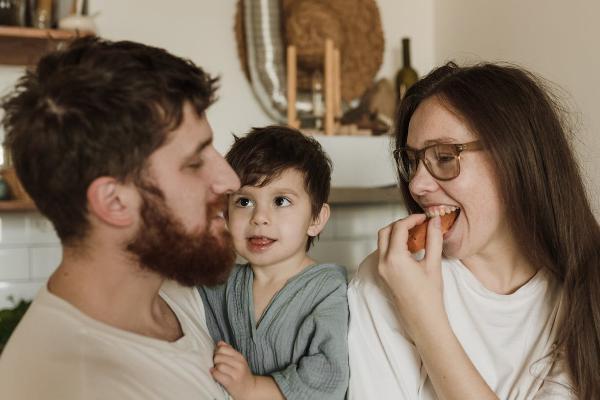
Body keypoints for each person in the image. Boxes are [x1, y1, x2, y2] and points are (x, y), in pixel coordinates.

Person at [0, 36, 241, 399]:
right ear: (113, 202)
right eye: (194, 163)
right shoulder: (82, 385)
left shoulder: (173, 293)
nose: (229, 180)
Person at [348, 62, 600, 399]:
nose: (417, 185)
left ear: (515, 159)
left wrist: (425, 319)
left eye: (445, 156)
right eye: (412, 161)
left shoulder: (586, 290)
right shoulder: (382, 279)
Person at [199, 126, 349, 400]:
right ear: (226, 214)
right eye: (244, 201)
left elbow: (329, 376)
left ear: (316, 219)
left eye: (281, 200)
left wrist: (251, 388)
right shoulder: (220, 284)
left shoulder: (327, 288)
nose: (259, 217)